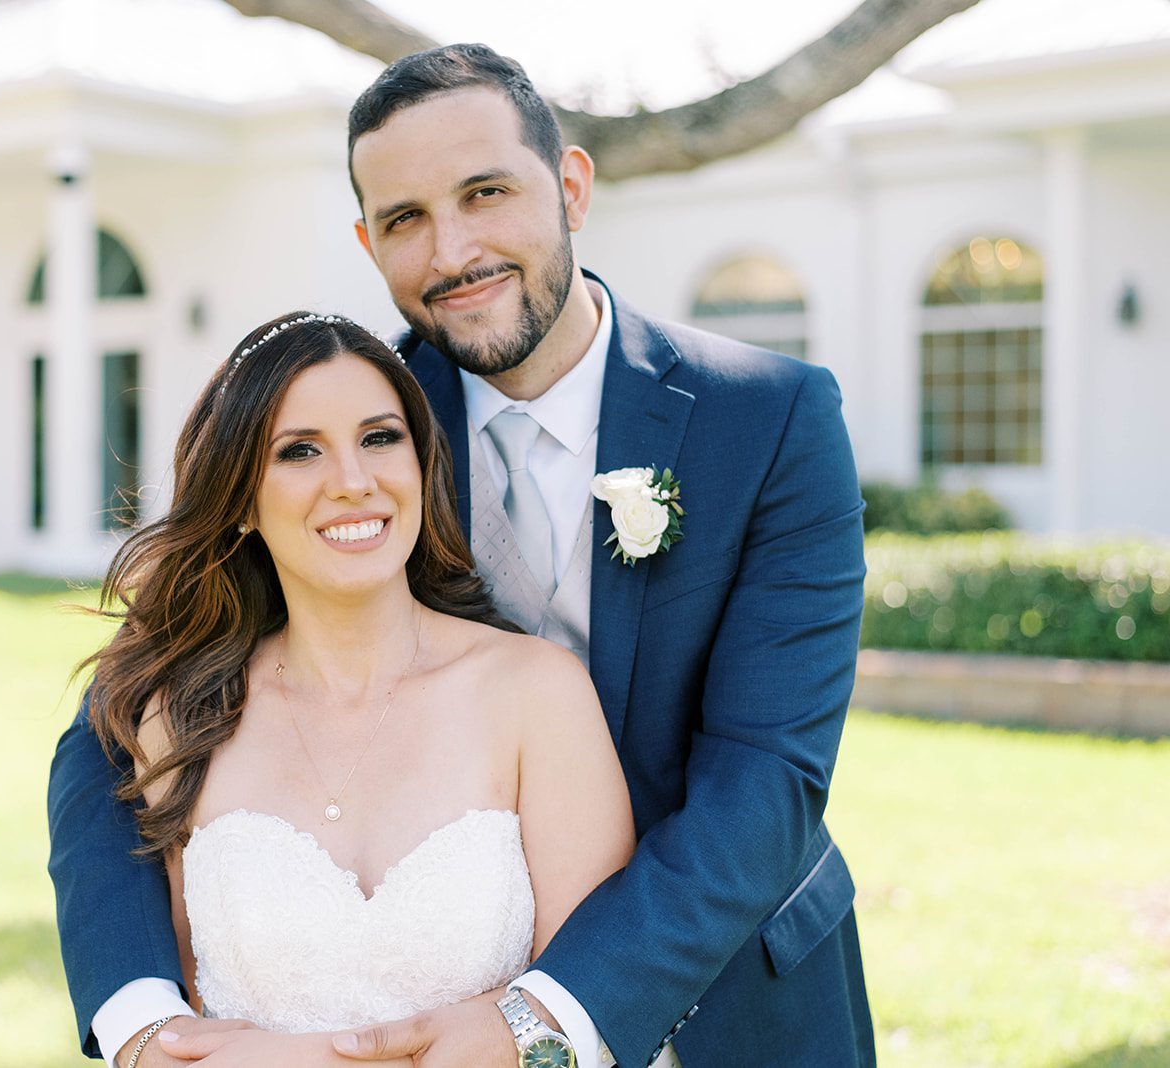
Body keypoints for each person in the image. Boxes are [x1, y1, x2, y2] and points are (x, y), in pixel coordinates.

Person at [49, 43, 875, 1068]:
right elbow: (115, 728)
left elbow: (768, 779)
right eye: (405, 220)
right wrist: (139, 1018)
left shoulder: (770, 421)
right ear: (368, 241)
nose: (453, 250)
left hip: (735, 998)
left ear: (571, 185)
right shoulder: (357, 429)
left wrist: (544, 1020)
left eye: (486, 194)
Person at [68, 310, 635, 1067]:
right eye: (300, 451)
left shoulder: (537, 695)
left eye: (379, 438)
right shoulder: (181, 720)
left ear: (421, 461)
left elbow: (589, 1009)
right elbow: (185, 1035)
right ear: (238, 500)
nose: (354, 482)